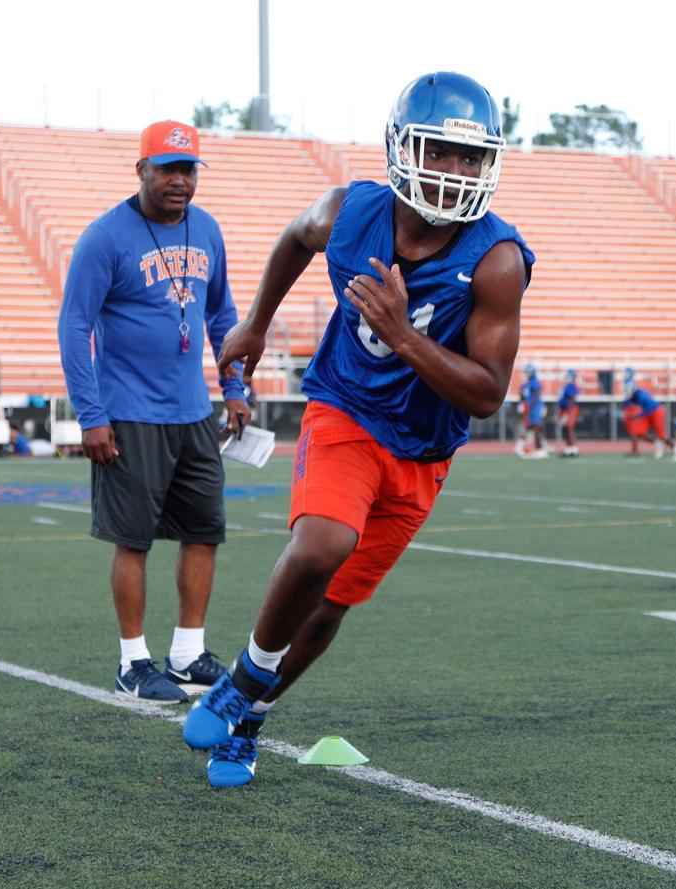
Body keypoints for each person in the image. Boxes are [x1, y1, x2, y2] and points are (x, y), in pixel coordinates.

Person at [182, 72, 533, 788]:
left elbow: (489, 393)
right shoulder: (351, 210)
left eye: (471, 158)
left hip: (424, 448)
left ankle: (248, 716)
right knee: (322, 543)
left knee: (330, 603)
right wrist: (254, 322)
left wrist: (404, 337)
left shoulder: (495, 260)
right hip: (345, 405)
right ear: (403, 148)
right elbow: (293, 237)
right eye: (440, 151)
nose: (457, 171)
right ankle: (244, 680)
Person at [58, 118, 251, 706]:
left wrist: (235, 385)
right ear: (141, 169)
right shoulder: (105, 237)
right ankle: (131, 662)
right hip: (130, 414)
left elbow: (222, 317)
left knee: (203, 532)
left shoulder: (207, 229)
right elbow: (74, 326)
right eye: (167, 168)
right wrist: (90, 414)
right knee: (133, 540)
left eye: (188, 170)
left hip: (192, 413)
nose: (179, 181)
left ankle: (188, 653)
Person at [621, 368, 675, 459]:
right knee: (639, 432)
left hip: (655, 411)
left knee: (661, 435)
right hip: (648, 412)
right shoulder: (633, 394)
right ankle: (657, 444)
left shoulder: (641, 395)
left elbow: (649, 408)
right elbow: (628, 402)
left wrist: (637, 415)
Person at [513, 363, 547, 458]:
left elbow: (536, 396)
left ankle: (540, 449)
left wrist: (529, 406)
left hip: (535, 407)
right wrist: (521, 403)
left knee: (536, 427)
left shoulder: (535, 382)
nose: (526, 374)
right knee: (528, 427)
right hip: (528, 407)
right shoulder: (525, 384)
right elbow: (522, 395)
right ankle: (521, 445)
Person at [557, 368, 580, 456]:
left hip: (570, 409)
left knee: (570, 428)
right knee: (565, 428)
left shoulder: (572, 386)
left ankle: (574, 447)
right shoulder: (566, 386)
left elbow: (571, 399)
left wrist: (567, 413)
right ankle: (569, 447)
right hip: (564, 409)